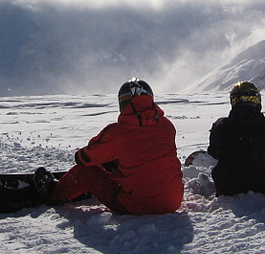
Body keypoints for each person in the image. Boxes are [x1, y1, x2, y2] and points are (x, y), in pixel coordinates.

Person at [34, 79, 183, 215]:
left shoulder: (118, 132)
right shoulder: (167, 125)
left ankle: (54, 193)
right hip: (172, 202)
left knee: (86, 171)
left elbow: (85, 159)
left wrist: (87, 156)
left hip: (137, 205)